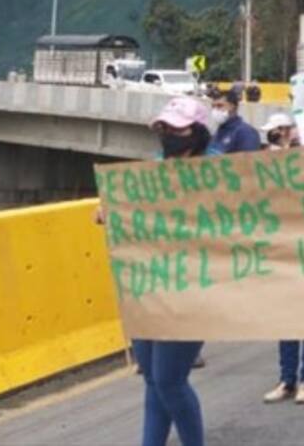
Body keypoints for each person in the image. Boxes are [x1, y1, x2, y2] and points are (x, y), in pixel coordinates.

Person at [109, 96, 211, 446]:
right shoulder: (151, 171)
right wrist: (110, 210)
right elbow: (130, 209)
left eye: (176, 127)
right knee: (153, 379)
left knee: (169, 380)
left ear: (196, 132)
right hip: (147, 287)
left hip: (189, 292)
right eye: (163, 127)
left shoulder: (218, 176)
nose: (168, 133)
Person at [259, 112, 304, 406]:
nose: (273, 137)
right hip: (281, 250)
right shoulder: (266, 163)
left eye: (276, 132)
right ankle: (287, 379)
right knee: (285, 317)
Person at [206, 88, 260, 155]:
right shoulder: (220, 129)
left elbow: (248, 162)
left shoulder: (246, 133)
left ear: (232, 106)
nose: (215, 110)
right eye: (213, 107)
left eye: (220, 106)